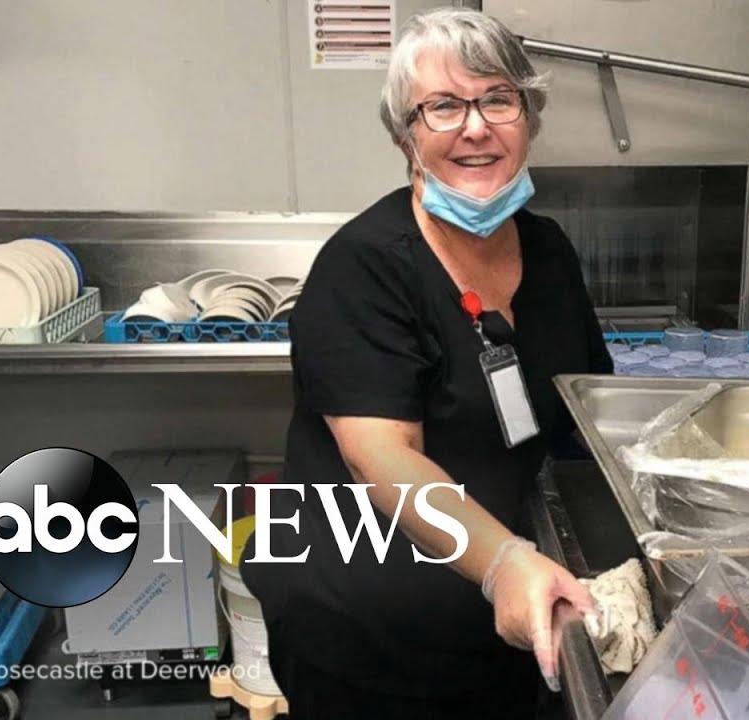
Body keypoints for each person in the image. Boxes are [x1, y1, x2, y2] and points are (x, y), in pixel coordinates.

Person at [240, 7, 613, 719]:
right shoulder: (364, 267)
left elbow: (584, 403)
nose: (475, 128)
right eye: (442, 107)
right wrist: (502, 562)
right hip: (367, 633)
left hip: (498, 617)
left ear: (529, 118)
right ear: (404, 135)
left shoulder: (549, 251)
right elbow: (382, 455)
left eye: (498, 99)